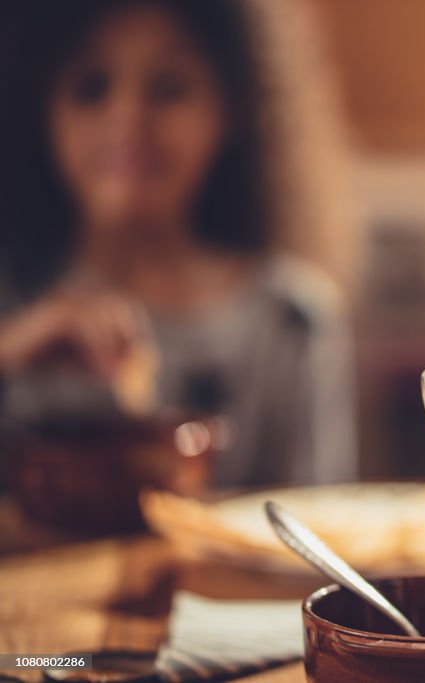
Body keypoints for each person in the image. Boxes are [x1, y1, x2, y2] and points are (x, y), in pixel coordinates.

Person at [0, 0, 357, 486]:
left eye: (169, 88)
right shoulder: (15, 297)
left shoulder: (289, 319)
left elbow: (315, 527)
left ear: (233, 105)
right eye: (91, 88)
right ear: (40, 109)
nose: (127, 119)